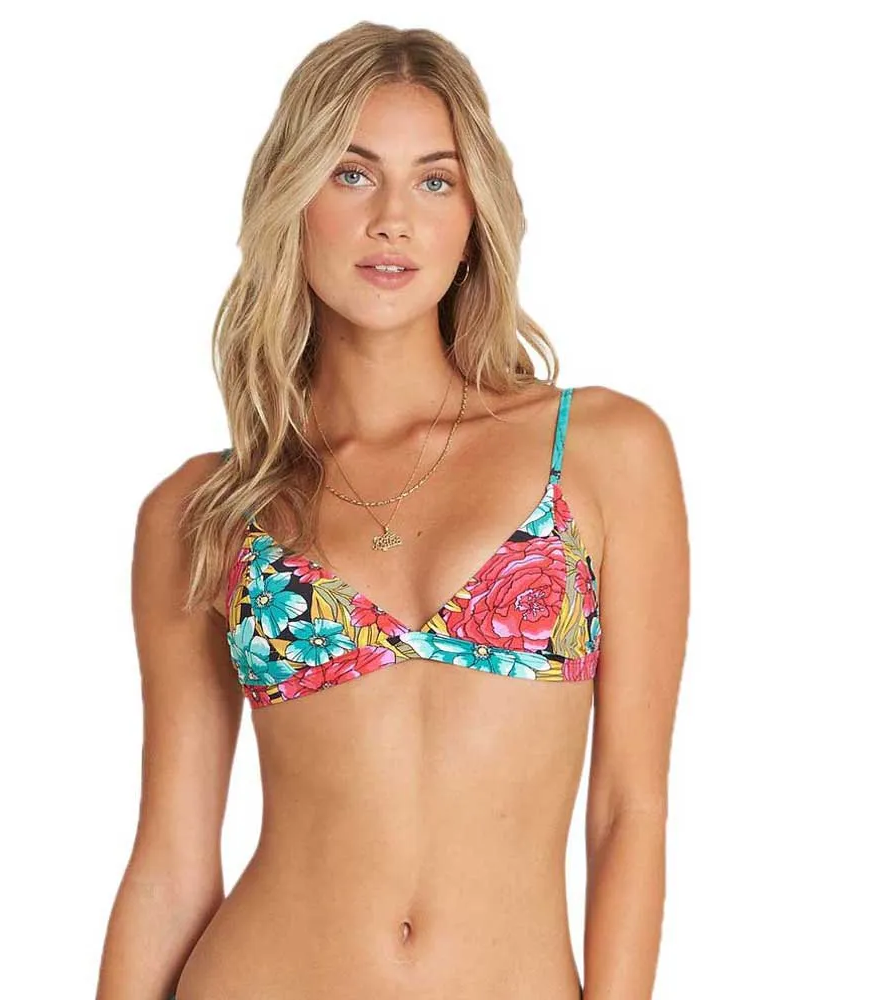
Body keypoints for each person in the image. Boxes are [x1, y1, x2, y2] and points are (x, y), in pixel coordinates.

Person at [96, 21, 689, 1000]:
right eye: (352, 174)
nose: (393, 220)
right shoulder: (202, 511)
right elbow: (170, 862)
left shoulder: (601, 452)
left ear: (474, 218)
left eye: (435, 181)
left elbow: (630, 808)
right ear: (293, 200)